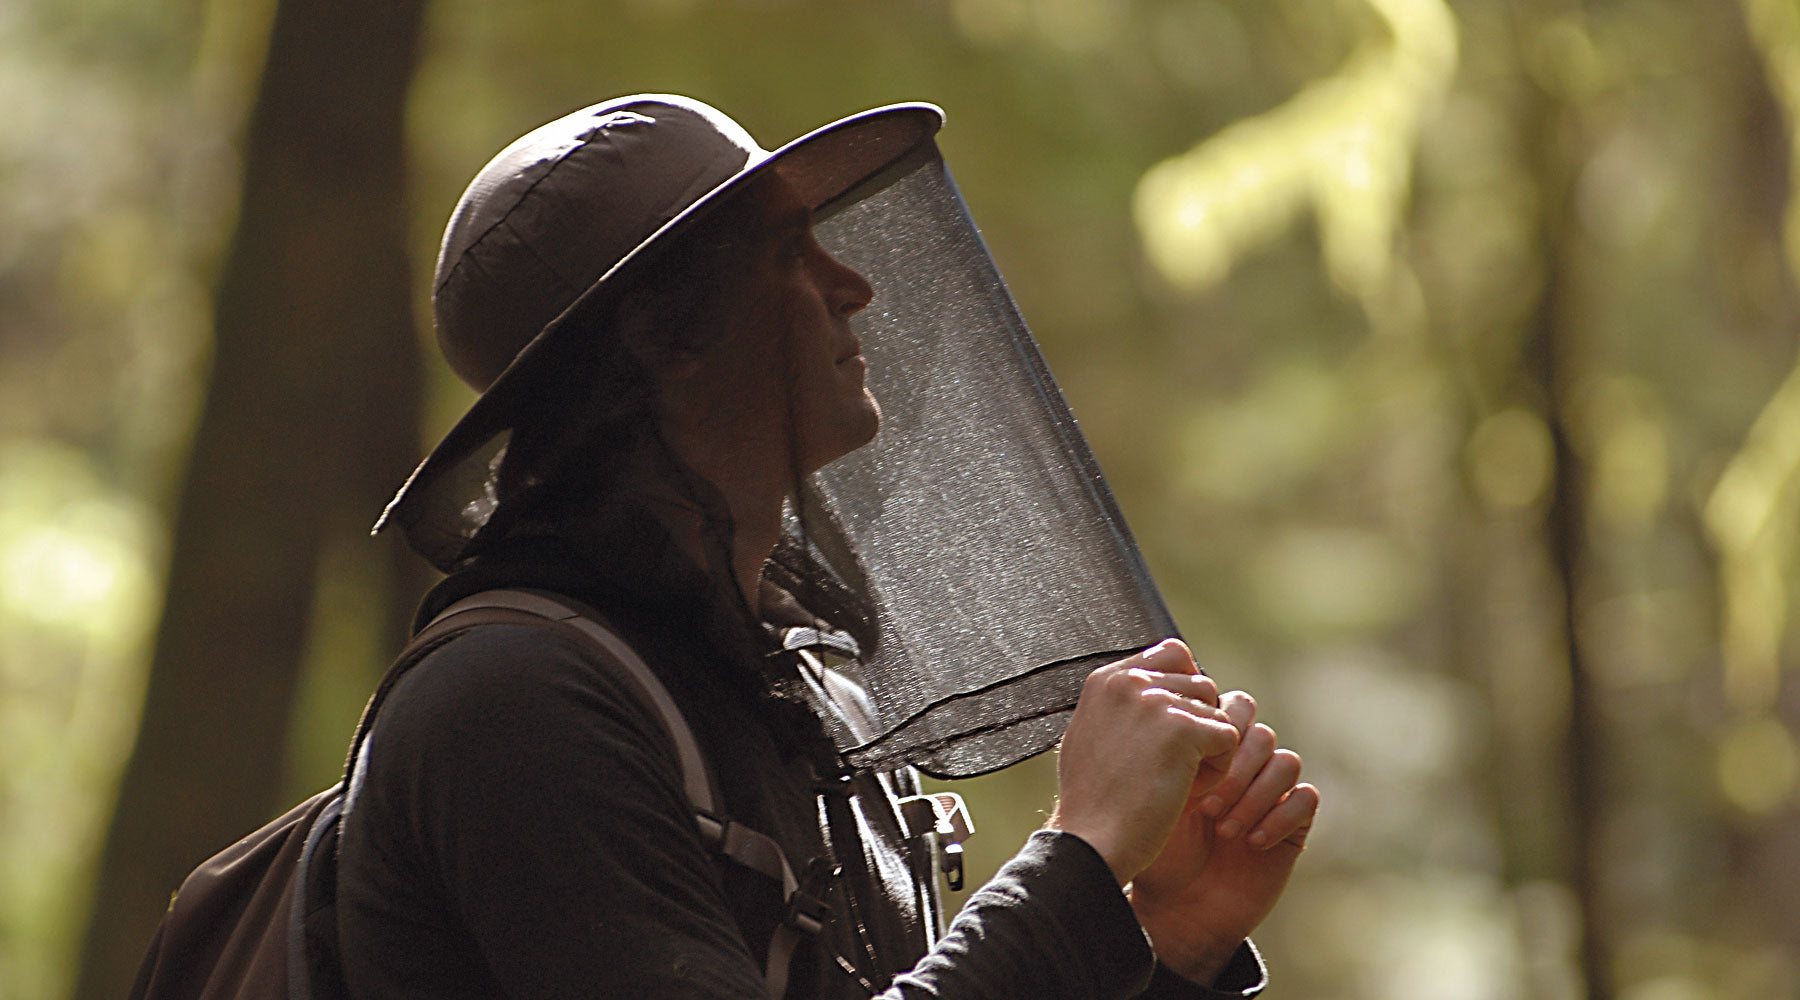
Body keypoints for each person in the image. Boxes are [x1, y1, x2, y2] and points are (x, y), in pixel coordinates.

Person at [344, 94, 1319, 1000]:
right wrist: (1080, 854)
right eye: (788, 254)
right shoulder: (512, 703)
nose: (852, 285)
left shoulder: (796, 689)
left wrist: (1169, 945)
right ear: (662, 335)